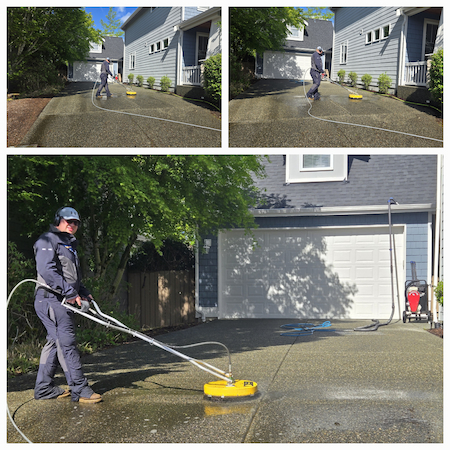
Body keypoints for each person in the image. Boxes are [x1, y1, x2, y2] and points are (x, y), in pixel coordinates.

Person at [33, 207, 102, 403]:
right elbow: (47, 270)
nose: (72, 225)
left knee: (55, 343)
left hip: (60, 299)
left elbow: (70, 277)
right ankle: (80, 389)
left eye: (76, 222)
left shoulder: (69, 245)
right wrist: (70, 293)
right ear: (58, 220)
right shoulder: (47, 240)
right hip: (50, 299)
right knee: (66, 342)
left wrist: (83, 291)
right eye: (68, 221)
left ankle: (44, 388)